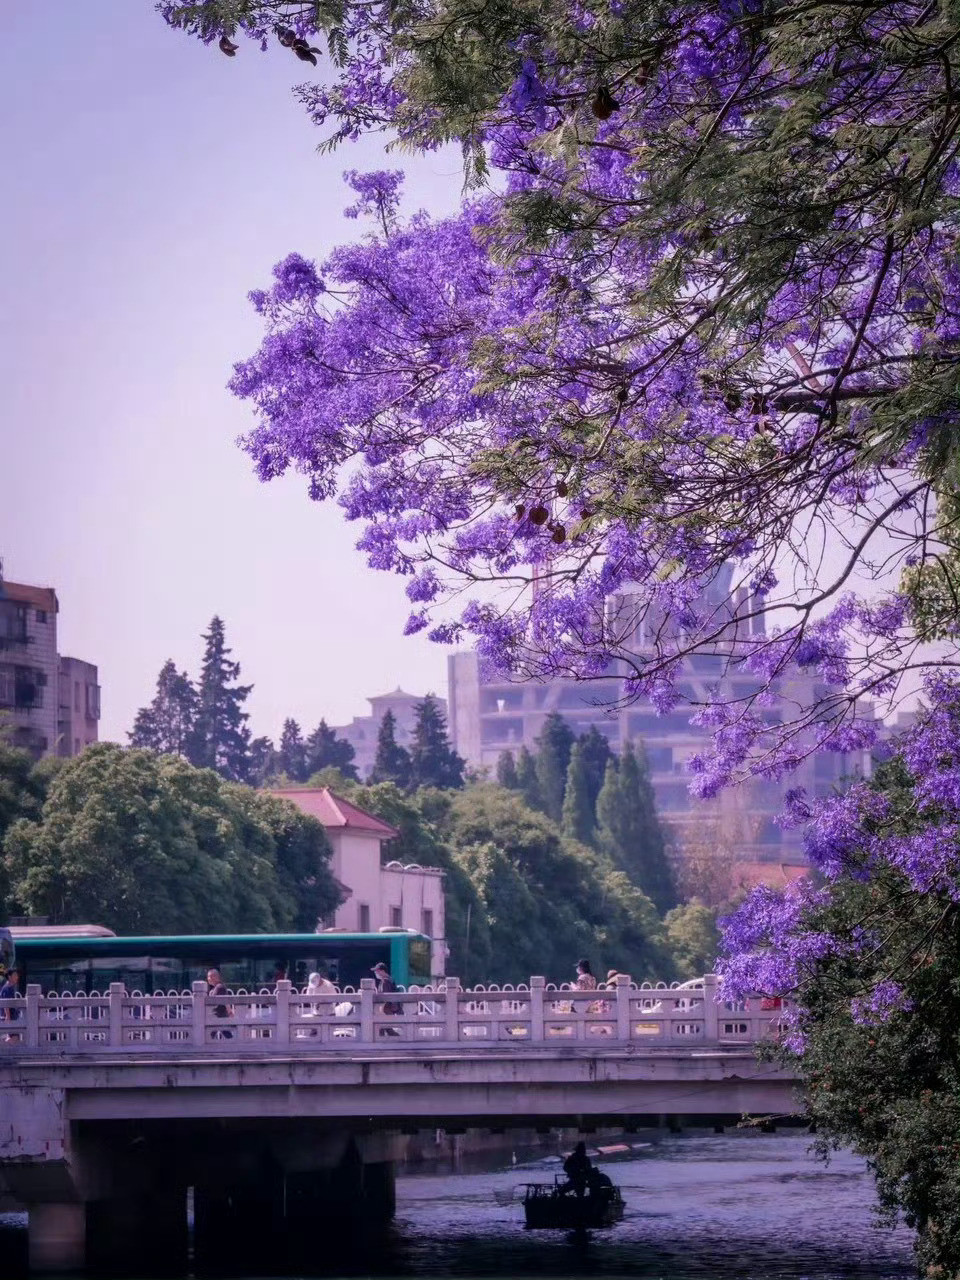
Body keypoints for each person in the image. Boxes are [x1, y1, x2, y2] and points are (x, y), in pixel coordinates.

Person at [372, 962, 402, 1036]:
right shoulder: (390, 979)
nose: (375, 973)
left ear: (382, 971)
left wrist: (381, 1010)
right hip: (388, 1009)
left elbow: (385, 997)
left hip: (386, 1009)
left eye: (377, 971)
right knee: (386, 1029)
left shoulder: (385, 981)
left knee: (382, 1029)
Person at [206, 968, 234, 1039]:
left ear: (216, 977)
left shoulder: (219, 987)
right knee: (223, 1033)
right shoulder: (215, 988)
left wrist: (230, 1012)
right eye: (208, 976)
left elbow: (213, 1001)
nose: (208, 979)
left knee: (210, 1034)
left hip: (218, 1016)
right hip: (217, 1016)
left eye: (210, 976)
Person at [1, 966, 22, 1043]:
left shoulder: (10, 988)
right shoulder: (7, 988)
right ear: (9, 977)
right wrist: (8, 1016)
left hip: (12, 1016)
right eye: (15, 975)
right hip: (9, 1017)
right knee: (14, 1037)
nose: (17, 977)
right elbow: (6, 1003)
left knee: (14, 1037)